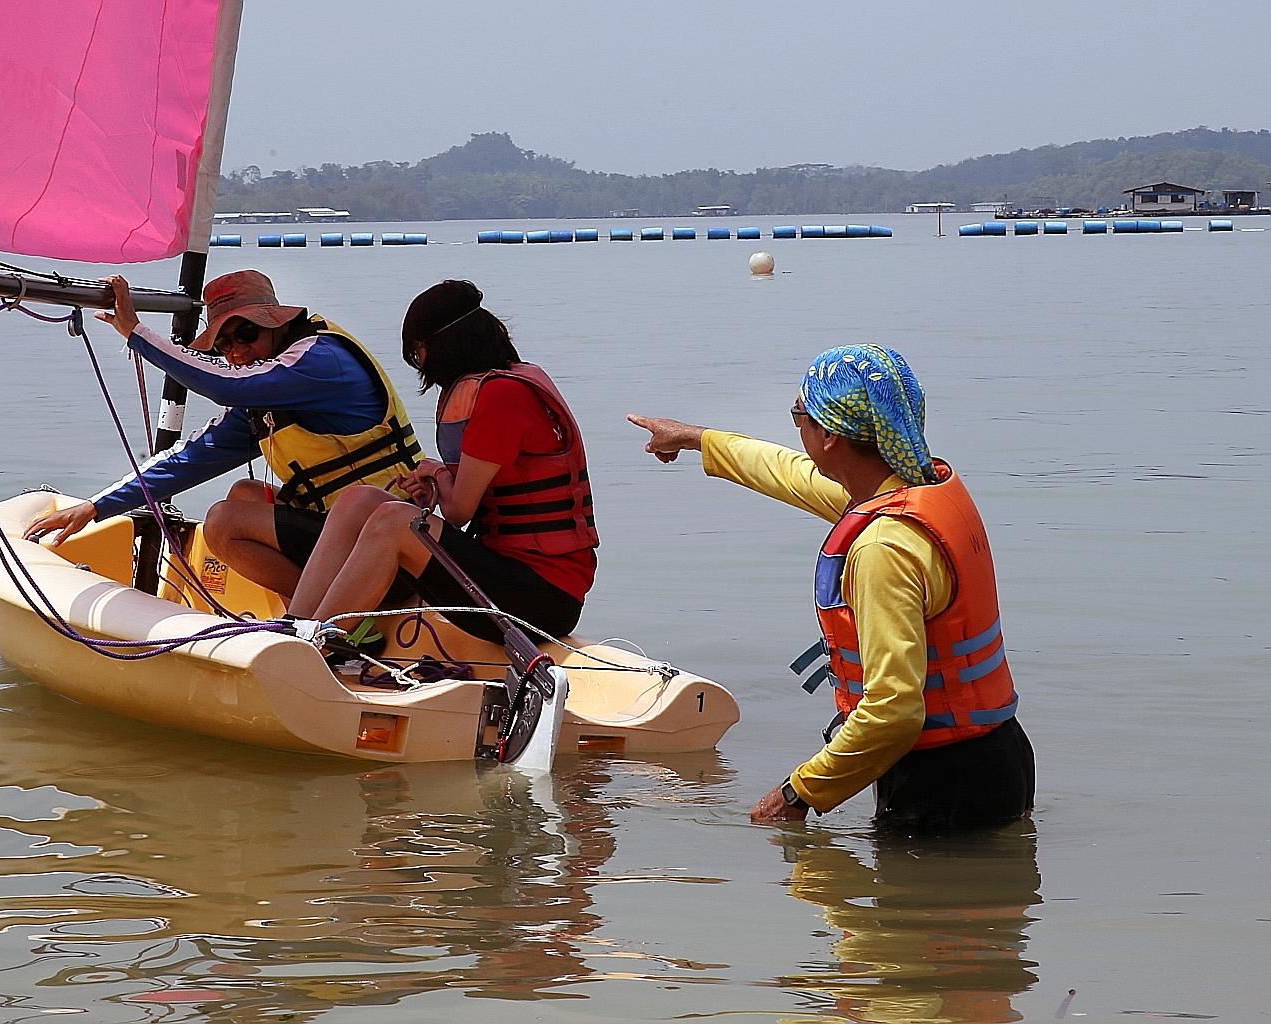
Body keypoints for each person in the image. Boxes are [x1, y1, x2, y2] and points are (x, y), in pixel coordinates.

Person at [630, 344, 1034, 833]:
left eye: (799, 414)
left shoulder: (885, 550)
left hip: (941, 784)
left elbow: (894, 712)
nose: (796, 427)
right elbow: (787, 472)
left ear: (829, 436)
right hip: (999, 754)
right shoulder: (922, 489)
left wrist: (798, 793)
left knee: (912, 910)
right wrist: (699, 439)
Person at [23, 270, 424, 600]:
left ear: (277, 323)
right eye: (223, 344)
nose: (235, 351)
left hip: (389, 543)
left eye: (246, 333)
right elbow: (189, 460)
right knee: (245, 495)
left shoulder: (319, 359)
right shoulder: (266, 397)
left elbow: (229, 385)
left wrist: (136, 333)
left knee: (223, 522)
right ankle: (330, 609)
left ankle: (321, 618)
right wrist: (94, 508)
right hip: (343, 538)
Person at [286, 279, 597, 642]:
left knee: (395, 521)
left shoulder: (502, 395)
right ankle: (296, 626)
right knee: (359, 500)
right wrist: (437, 481)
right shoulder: (509, 381)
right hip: (502, 572)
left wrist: (435, 471)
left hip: (542, 596)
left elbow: (459, 511)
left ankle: (317, 642)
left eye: (418, 354)